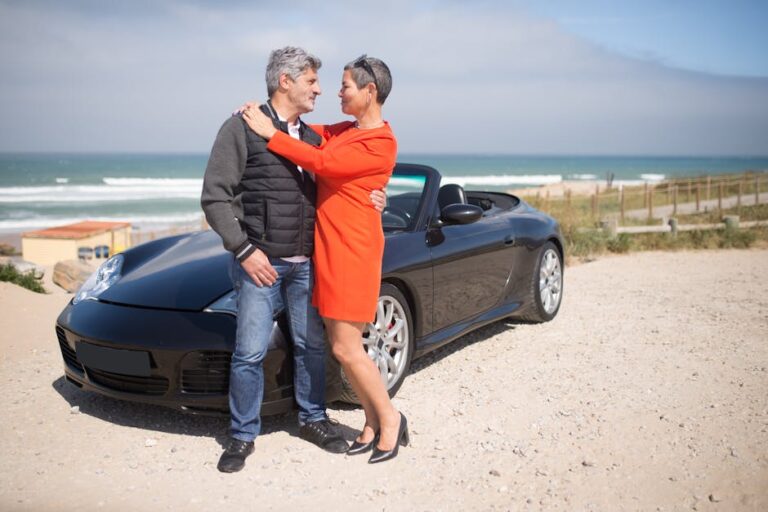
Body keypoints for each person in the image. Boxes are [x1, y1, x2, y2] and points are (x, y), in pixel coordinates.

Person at [201, 47, 385, 473]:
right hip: (260, 266)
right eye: (312, 82)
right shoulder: (240, 128)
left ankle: (313, 419)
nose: (319, 90)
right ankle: (242, 436)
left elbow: (350, 170)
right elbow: (215, 197)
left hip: (308, 265)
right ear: (285, 81)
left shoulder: (316, 136)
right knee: (248, 353)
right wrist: (244, 251)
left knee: (311, 346)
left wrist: (379, 194)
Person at [242, 54, 408, 463]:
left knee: (348, 348)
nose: (337, 92)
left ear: (370, 92)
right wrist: (268, 117)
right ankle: (371, 421)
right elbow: (309, 133)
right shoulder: (348, 131)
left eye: (346, 86)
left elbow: (320, 161)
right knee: (340, 346)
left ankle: (391, 418)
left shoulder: (381, 142)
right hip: (329, 250)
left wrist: (271, 133)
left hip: (352, 252)